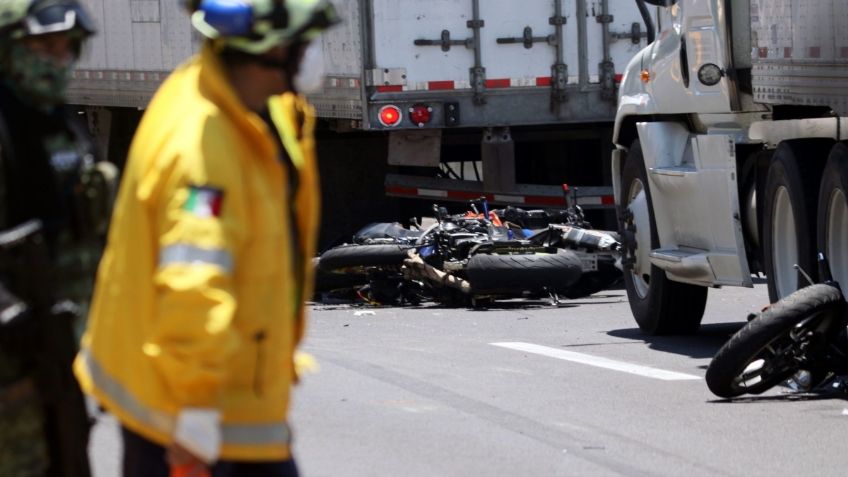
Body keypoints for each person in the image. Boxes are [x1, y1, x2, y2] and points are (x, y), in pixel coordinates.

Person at [73, 0, 339, 475]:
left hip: (224, 396)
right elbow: (194, 280)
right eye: (304, 40)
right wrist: (193, 415)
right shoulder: (204, 150)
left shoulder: (250, 105)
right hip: (193, 414)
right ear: (269, 48)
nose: (314, 52)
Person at [0, 0, 110, 476]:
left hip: (54, 356)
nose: (59, 58)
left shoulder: (59, 125)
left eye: (67, 47)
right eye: (45, 45)